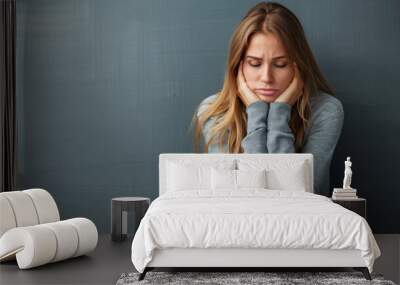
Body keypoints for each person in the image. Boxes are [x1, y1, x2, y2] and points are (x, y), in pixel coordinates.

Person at [191, 2, 344, 195]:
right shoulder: (214, 110)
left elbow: (303, 192)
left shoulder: (326, 111)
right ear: (238, 66)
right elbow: (236, 193)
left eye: (280, 64)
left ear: (299, 66)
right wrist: (257, 111)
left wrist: (279, 114)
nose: (266, 78)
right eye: (254, 64)